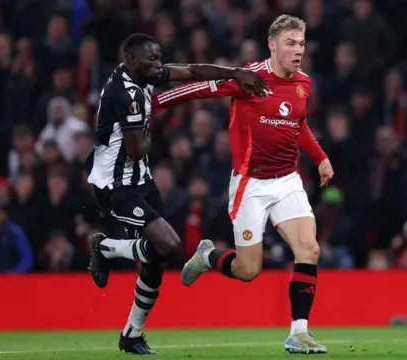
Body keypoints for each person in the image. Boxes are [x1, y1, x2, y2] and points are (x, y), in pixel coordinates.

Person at [153, 16, 334, 354]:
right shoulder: (249, 78)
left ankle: (299, 332)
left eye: (301, 43)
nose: (298, 51)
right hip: (251, 184)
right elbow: (198, 89)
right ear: (273, 45)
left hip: (287, 181)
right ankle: (208, 257)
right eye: (291, 44)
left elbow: (299, 123)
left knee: (309, 249)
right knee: (248, 270)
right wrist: (151, 104)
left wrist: (320, 157)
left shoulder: (304, 83)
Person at [86, 33, 269, 355]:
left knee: (156, 262)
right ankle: (105, 248)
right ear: (132, 61)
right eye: (152, 59)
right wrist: (157, 116)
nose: (159, 65)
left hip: (141, 181)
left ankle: (132, 334)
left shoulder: (142, 76)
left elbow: (194, 71)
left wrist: (233, 73)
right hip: (114, 185)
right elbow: (137, 149)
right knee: (169, 245)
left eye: (160, 58)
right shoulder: (126, 94)